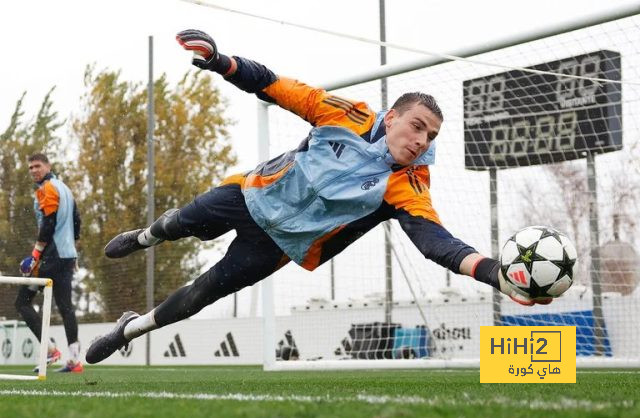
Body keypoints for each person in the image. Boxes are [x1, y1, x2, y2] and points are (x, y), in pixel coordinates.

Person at [86, 29, 552, 364]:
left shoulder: (408, 185)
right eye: (415, 126)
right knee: (176, 225)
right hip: (251, 193)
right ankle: (146, 235)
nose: (420, 140)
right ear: (390, 118)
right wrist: (221, 61)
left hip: (279, 245)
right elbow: (277, 86)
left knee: (198, 296)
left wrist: (497, 274)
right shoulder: (345, 114)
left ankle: (130, 328)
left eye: (429, 136)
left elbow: (436, 242)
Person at [16, 153, 83, 373]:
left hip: (49, 258)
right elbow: (77, 221)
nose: (34, 170)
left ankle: (51, 350)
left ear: (48, 166)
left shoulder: (46, 189)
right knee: (66, 307)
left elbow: (49, 224)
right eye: (30, 167)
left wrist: (35, 255)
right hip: (66, 256)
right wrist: (72, 251)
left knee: (22, 302)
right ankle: (74, 360)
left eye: (37, 166)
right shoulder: (66, 188)